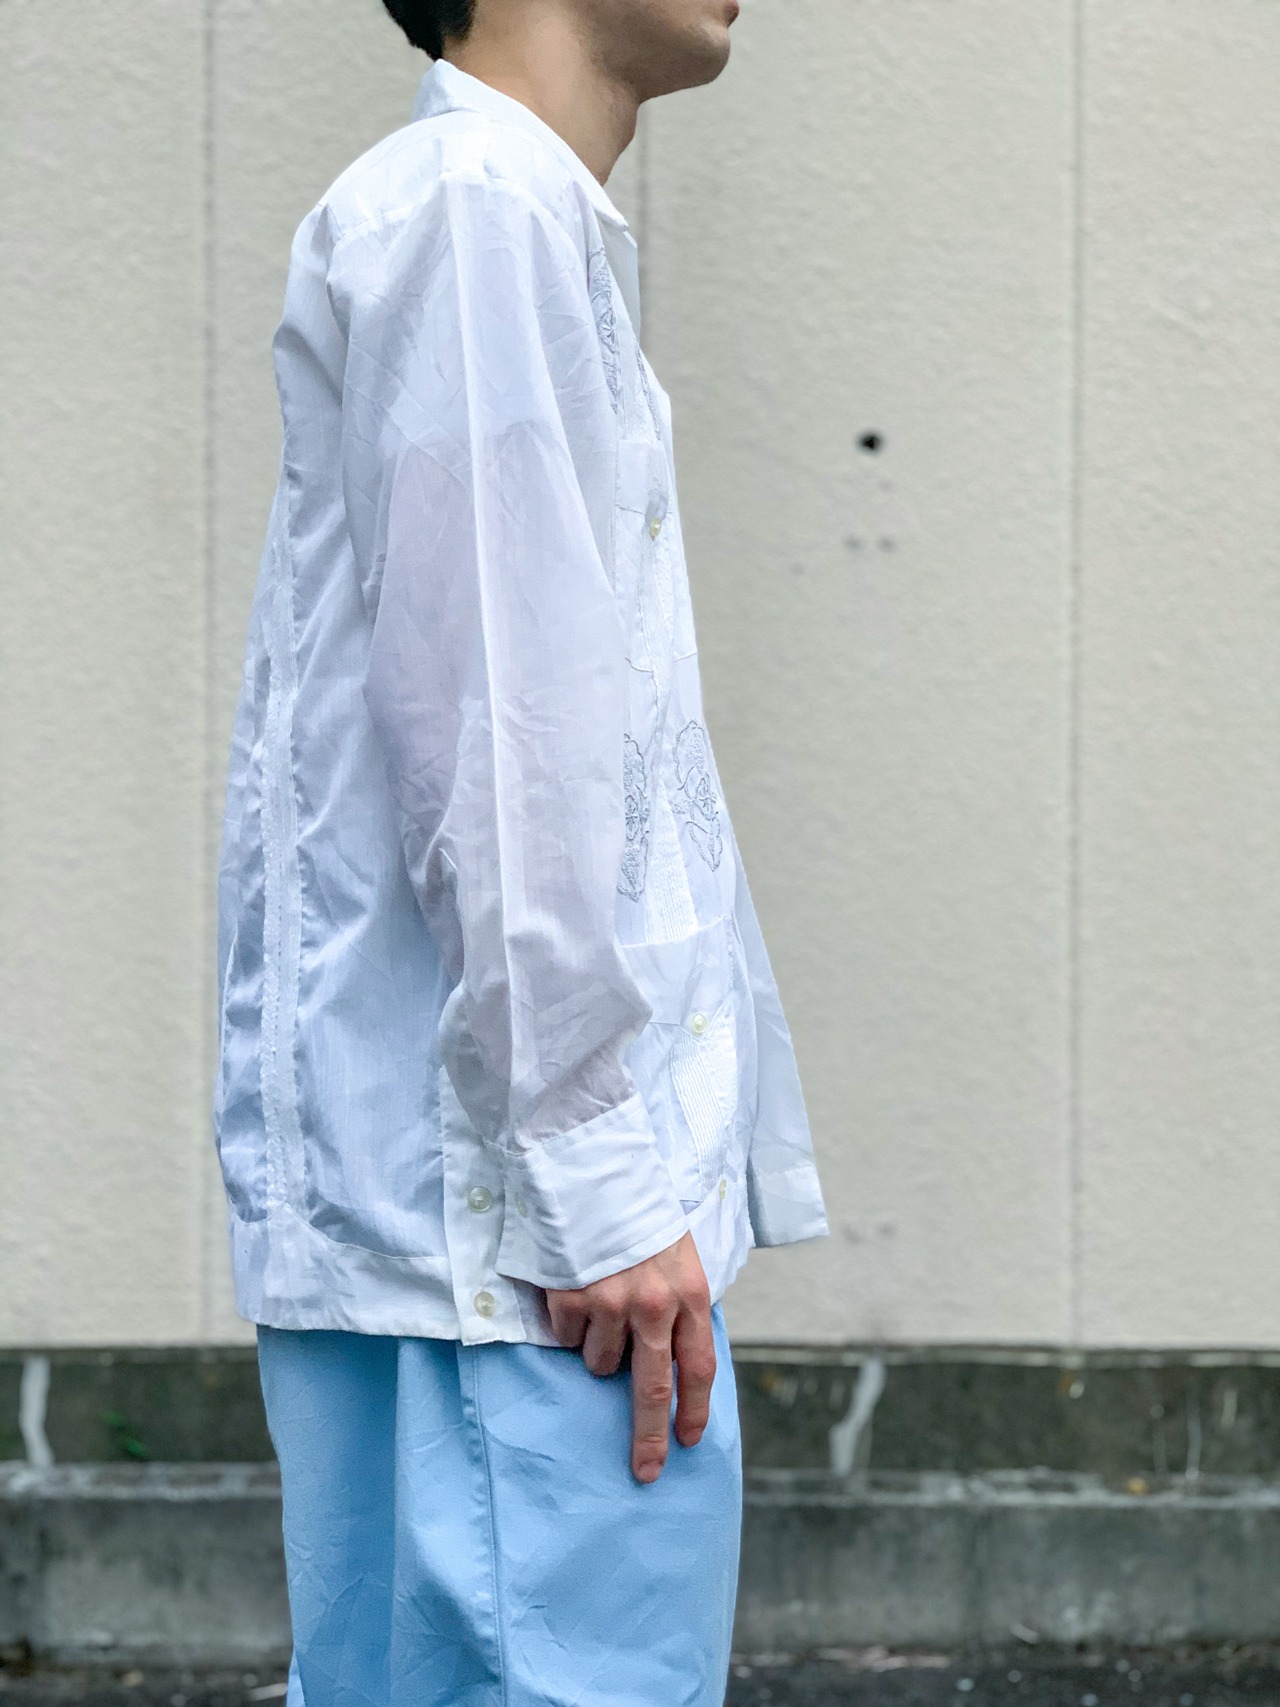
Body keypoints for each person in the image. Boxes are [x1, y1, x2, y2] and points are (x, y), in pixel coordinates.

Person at [214, 0, 828, 1700]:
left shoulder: (499, 214)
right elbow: (497, 733)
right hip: (518, 1251)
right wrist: (602, 1178)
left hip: (501, 1232)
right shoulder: (475, 215)